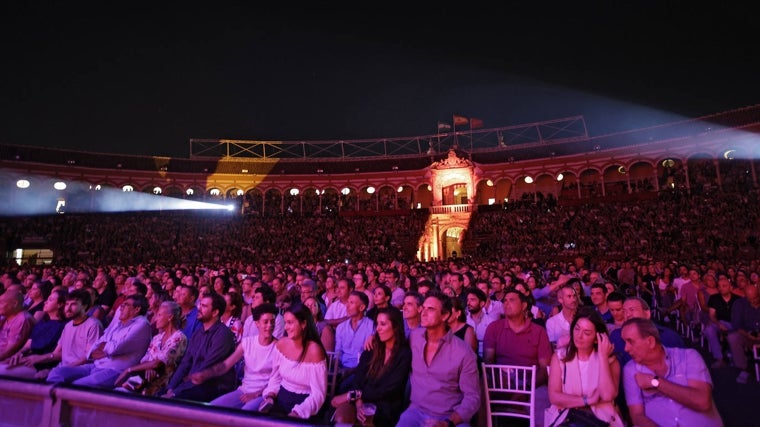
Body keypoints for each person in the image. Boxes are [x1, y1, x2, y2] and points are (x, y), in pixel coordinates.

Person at [396, 290, 480, 427]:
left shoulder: (463, 352)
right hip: (416, 412)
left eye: (431, 309)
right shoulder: (414, 338)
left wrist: (448, 422)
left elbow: (472, 397)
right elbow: (390, 347)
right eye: (423, 308)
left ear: (445, 315)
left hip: (450, 416)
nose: (423, 312)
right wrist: (373, 338)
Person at [621, 317, 723, 427]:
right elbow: (637, 416)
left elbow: (702, 402)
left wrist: (655, 382)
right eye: (625, 342)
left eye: (630, 342)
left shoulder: (688, 357)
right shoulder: (631, 370)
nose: (626, 348)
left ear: (650, 342)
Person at [46, 294, 152, 389]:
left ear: (137, 309)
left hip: (114, 371)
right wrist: (105, 347)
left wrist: (105, 348)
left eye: (126, 305)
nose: (121, 307)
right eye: (122, 305)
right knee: (57, 373)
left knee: (77, 386)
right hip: (96, 365)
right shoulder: (118, 323)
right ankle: (49, 406)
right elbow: (96, 346)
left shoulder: (141, 324)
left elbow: (114, 348)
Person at [331, 307, 412, 426]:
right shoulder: (372, 348)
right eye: (377, 324)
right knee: (342, 415)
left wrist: (359, 395)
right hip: (360, 399)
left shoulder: (403, 354)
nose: (378, 328)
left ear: (395, 327)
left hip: (385, 405)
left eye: (383, 324)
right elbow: (358, 377)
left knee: (367, 420)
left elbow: (391, 388)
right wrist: (359, 403)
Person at [546, 306, 624, 427]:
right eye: (577, 329)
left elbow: (607, 395)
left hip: (601, 419)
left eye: (586, 333)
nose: (579, 336)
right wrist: (588, 400)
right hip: (568, 417)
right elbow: (554, 396)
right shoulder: (560, 357)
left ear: (597, 338)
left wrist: (603, 357)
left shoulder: (610, 361)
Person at [253, 304, 328, 420]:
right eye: (285, 323)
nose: (286, 327)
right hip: (281, 398)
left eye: (290, 322)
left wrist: (298, 413)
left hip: (306, 405)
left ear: (303, 324)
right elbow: (275, 377)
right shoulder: (281, 344)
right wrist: (270, 395)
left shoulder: (315, 351)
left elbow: (318, 394)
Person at [199, 303, 279, 410]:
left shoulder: (278, 347)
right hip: (244, 390)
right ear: (257, 324)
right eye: (265, 322)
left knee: (244, 414)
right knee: (211, 408)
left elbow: (276, 380)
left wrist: (257, 394)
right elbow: (227, 364)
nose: (269, 326)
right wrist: (205, 374)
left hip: (264, 394)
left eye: (272, 322)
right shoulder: (247, 343)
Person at [163, 292, 237, 401]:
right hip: (192, 384)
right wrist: (171, 388)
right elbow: (185, 363)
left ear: (215, 312)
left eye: (204, 306)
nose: (199, 308)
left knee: (173, 400)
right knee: (158, 395)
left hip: (212, 386)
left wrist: (176, 392)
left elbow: (206, 367)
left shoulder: (223, 335)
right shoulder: (198, 333)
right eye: (200, 304)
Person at [113, 301, 187, 396]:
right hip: (142, 382)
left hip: (160, 386)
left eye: (159, 315)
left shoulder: (179, 338)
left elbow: (158, 363)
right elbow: (145, 360)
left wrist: (129, 369)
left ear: (170, 317)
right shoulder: (157, 338)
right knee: (116, 392)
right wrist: (149, 366)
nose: (156, 319)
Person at [0, 288, 67, 378]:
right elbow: (27, 345)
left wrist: (40, 360)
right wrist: (18, 354)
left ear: (60, 304)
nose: (45, 302)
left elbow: (60, 354)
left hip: (41, 365)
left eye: (50, 300)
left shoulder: (64, 326)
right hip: (27, 360)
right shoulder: (42, 322)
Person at [334, 291, 374, 393]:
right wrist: (337, 368)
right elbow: (338, 351)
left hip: (361, 370)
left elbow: (370, 357)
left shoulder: (371, 326)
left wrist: (351, 371)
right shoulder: (341, 327)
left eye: (351, 303)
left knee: (347, 384)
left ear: (361, 307)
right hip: (342, 368)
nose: (347, 306)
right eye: (348, 302)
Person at [704, 275, 741, 368]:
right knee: (709, 329)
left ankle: (735, 356)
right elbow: (712, 315)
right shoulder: (714, 298)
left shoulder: (738, 299)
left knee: (735, 332)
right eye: (719, 286)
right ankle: (719, 358)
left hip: (735, 324)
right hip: (720, 322)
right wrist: (718, 324)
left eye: (724, 286)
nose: (721, 288)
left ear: (730, 287)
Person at [728, 283, 760, 383]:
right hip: (747, 334)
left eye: (756, 297)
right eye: (751, 299)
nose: (754, 301)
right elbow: (736, 325)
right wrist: (748, 334)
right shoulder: (739, 304)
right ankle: (743, 368)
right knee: (733, 337)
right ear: (746, 297)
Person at [0, 289, 35, 363]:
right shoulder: (5, 317)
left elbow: (9, 351)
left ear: (14, 303)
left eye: (1, 303)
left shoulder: (22, 319)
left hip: (7, 361)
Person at [545, 285, 579, 354]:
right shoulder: (552, 322)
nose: (574, 299)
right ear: (560, 300)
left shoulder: (582, 319)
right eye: (569, 296)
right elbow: (552, 347)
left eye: (574, 296)